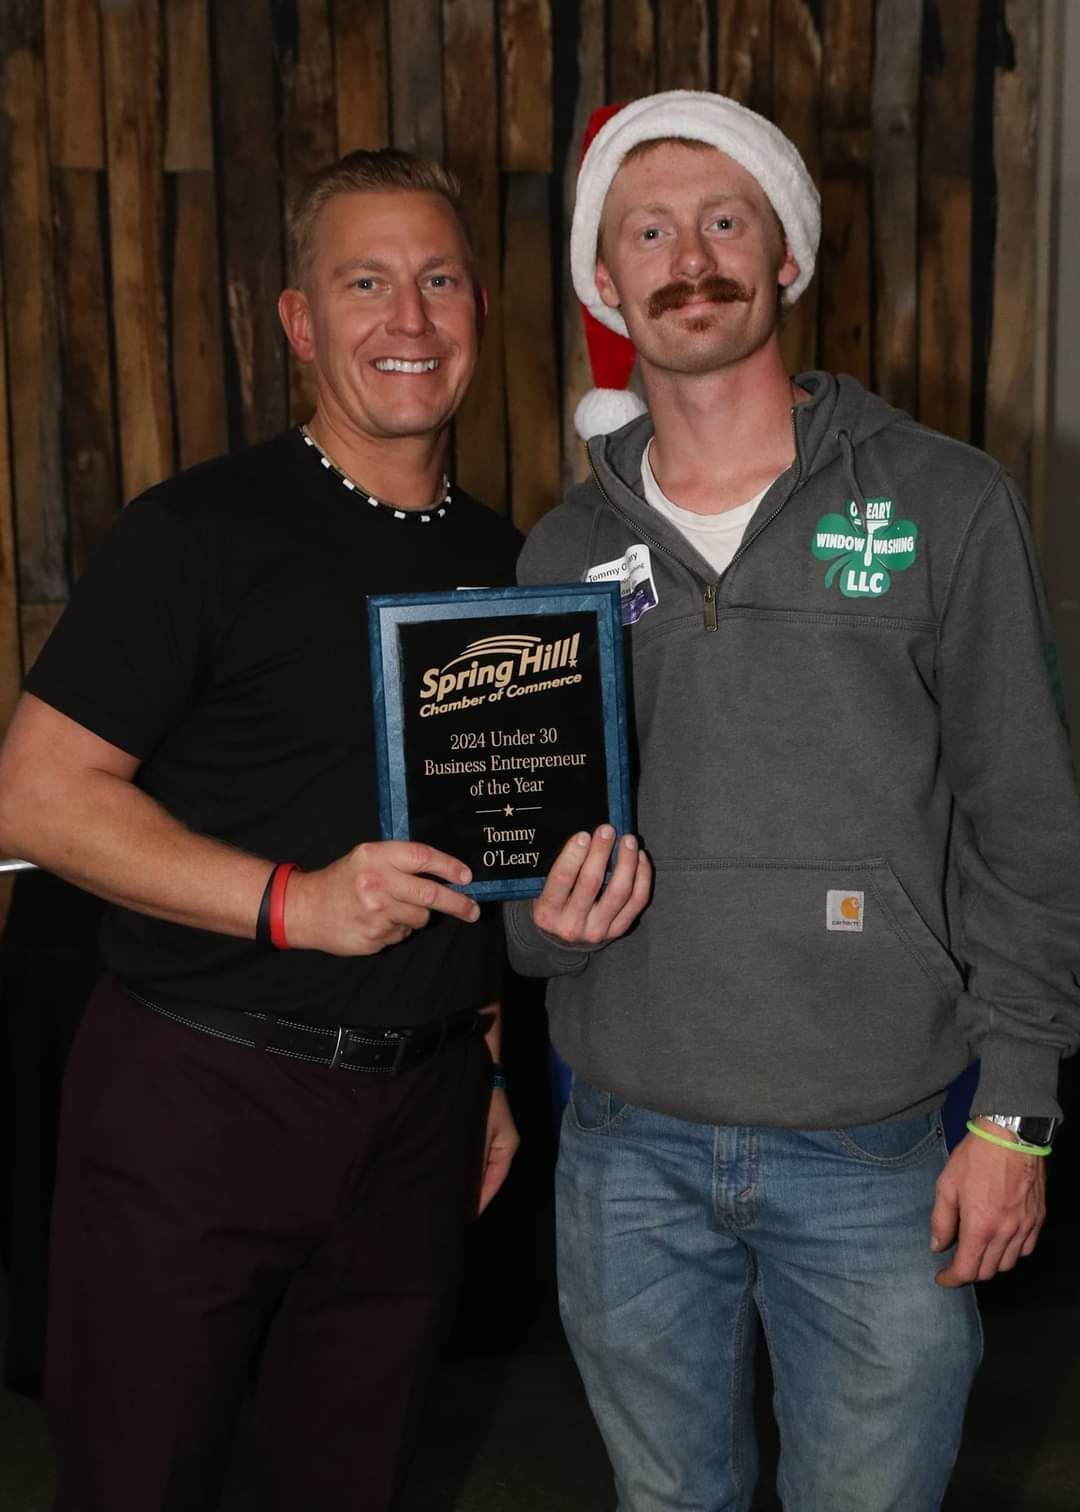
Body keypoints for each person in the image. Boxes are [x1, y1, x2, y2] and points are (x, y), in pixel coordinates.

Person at [505, 90, 1080, 1511]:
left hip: (880, 1154)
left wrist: (1016, 1117)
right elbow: (517, 892)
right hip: (624, 1152)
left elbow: (1026, 822)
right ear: (605, 279)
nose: (686, 255)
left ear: (787, 258)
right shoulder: (559, 553)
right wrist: (552, 927)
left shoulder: (945, 502)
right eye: (646, 229)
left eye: (723, 220)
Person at [0, 148, 525, 1512]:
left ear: (481, 309)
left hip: (419, 1114)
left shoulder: (515, 561)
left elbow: (486, 829)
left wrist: (485, 1058)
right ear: (298, 323)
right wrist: (296, 902)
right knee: (140, 1484)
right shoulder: (195, 535)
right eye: (366, 283)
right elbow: (35, 796)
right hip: (202, 1098)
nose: (408, 321)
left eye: (439, 280)